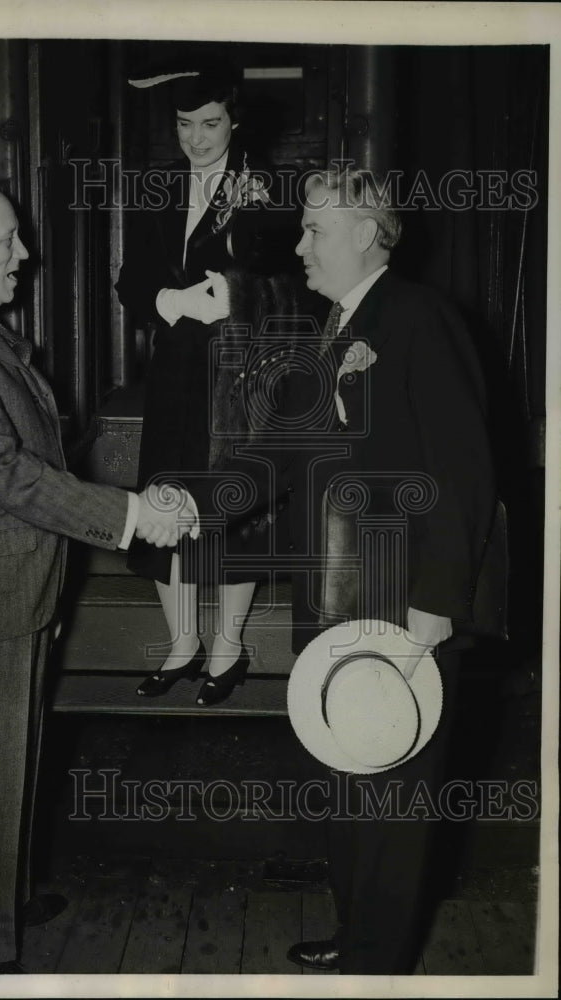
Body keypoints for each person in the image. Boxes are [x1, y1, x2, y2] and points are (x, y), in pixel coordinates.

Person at [181, 166, 497, 972]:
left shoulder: (420, 317)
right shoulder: (332, 327)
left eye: (314, 230)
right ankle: (360, 934)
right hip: (342, 594)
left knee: (395, 793)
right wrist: (188, 505)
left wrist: (437, 601)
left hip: (404, 603)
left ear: (365, 234)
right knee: (352, 773)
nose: (299, 245)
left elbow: (464, 470)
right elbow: (282, 455)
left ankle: (378, 964)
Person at [0, 180, 191, 974]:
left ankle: (3, 901)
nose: (25, 255)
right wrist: (128, 517)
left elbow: (33, 461)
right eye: (8, 241)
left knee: (10, 755)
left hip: (11, 574)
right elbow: (10, 474)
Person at [115, 63, 302, 706]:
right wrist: (165, 298)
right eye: (184, 126)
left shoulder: (267, 189)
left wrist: (232, 297)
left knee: (230, 504)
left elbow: (293, 288)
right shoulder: (159, 188)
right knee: (166, 496)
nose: (195, 140)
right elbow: (129, 280)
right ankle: (181, 643)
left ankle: (227, 646)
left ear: (236, 121)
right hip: (174, 370)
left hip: (237, 371)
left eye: (210, 124)